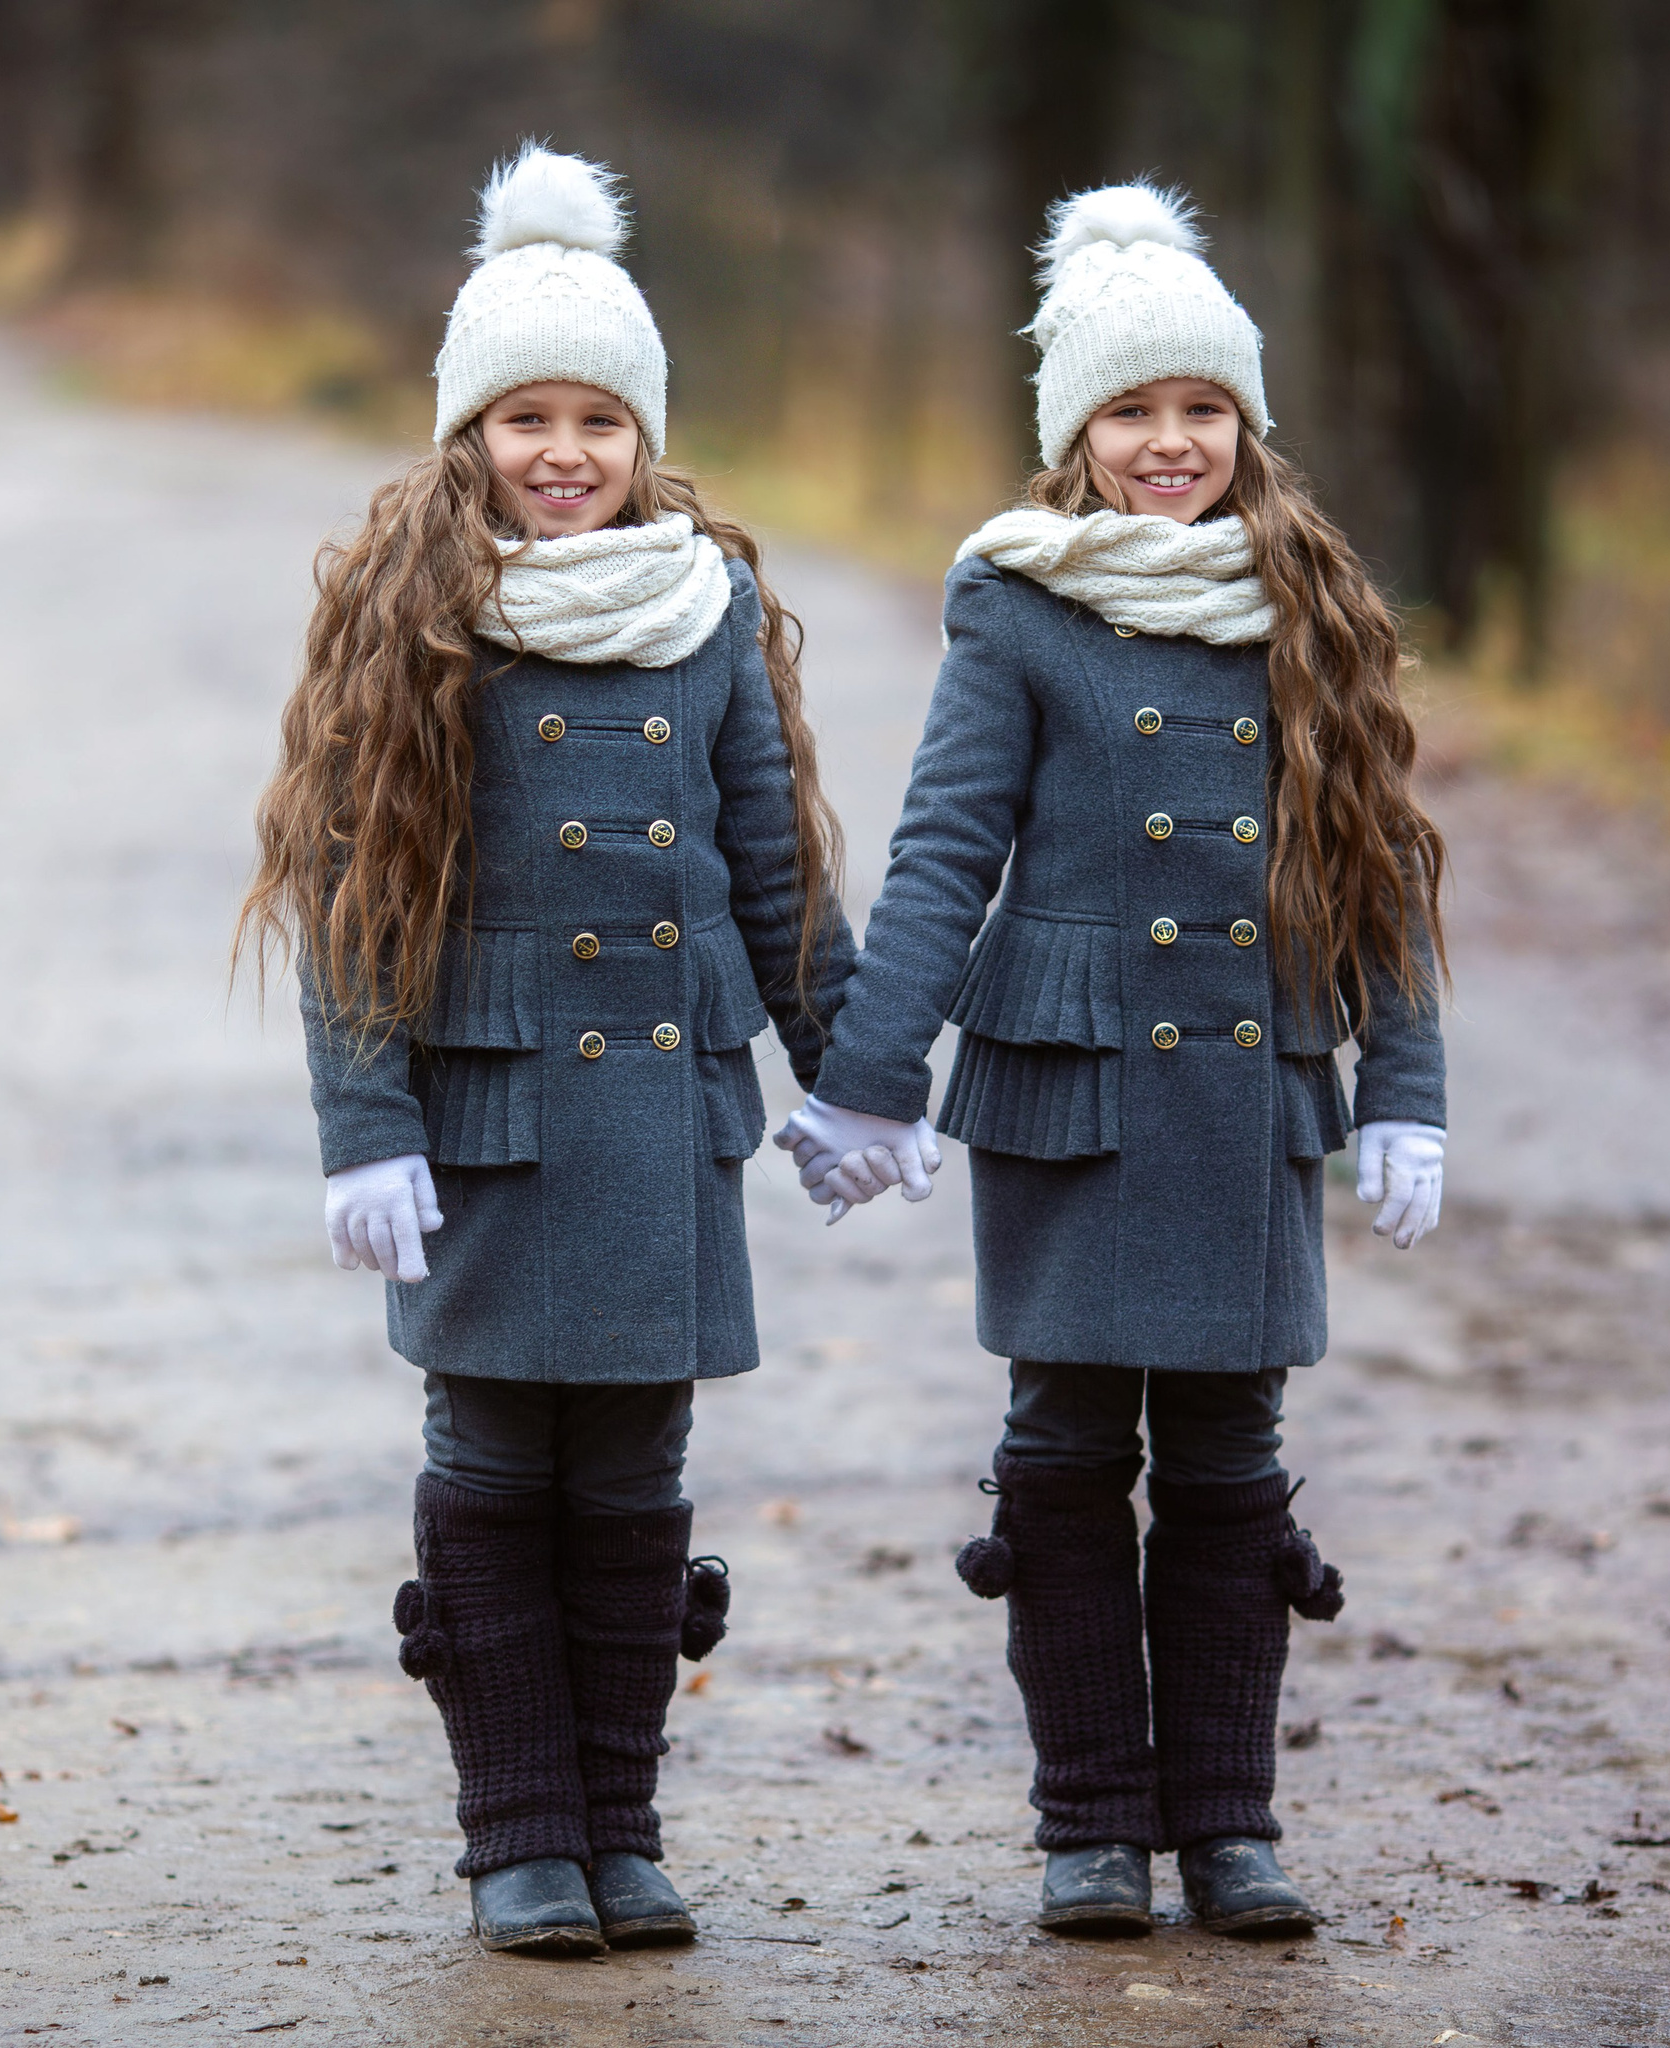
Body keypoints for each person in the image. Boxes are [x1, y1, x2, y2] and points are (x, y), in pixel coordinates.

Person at [776, 182, 1449, 1940]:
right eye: (1133, 413)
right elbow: (942, 855)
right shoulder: (1016, 600)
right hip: (1073, 1085)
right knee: (1065, 1445)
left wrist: (1408, 1092)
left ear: (1248, 422)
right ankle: (1089, 1826)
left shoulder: (1319, 605)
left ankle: (1228, 1823)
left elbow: (1377, 867)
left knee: (1231, 1449)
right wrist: (867, 1075)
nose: (1171, 445)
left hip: (1248, 1081)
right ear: (1075, 433)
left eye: (1202, 410)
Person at [239, 144, 853, 1959]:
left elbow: (770, 864)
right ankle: (519, 1835)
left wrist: (861, 1069)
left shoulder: (706, 608)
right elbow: (348, 893)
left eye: (600, 416)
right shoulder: (407, 614)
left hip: (663, 1112)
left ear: (646, 432)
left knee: (640, 1474)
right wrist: (365, 1125)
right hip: (488, 1116)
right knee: (497, 1463)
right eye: (527, 418)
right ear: (469, 432)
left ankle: (624, 1827)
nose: (565, 451)